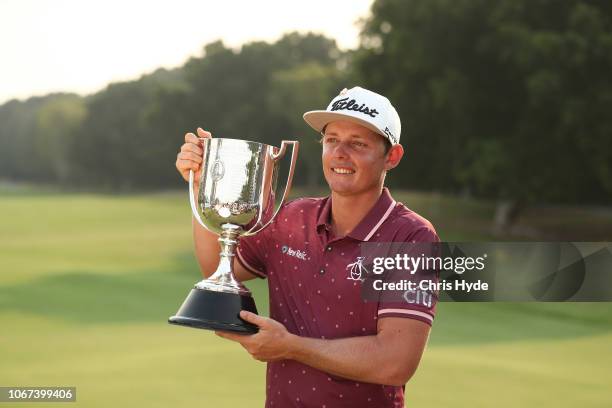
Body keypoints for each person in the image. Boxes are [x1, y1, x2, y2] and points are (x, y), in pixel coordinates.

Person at [175, 86, 439, 407]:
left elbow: (395, 363)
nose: (340, 152)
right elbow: (219, 267)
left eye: (358, 143)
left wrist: (291, 347)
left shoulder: (410, 236)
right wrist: (203, 183)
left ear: (391, 157)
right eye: (332, 140)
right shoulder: (292, 217)